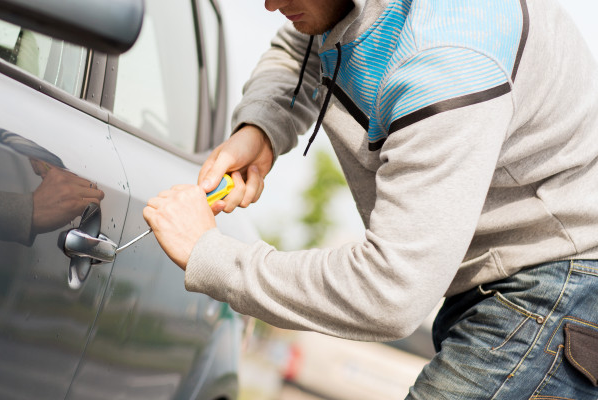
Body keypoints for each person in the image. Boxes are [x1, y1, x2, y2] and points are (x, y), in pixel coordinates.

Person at [142, 0, 598, 398]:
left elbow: (390, 290)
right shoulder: (341, 7)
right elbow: (298, 43)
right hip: (505, 276)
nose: (268, 4)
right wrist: (262, 127)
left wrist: (212, 256)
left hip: (557, 279)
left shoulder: (449, 55)